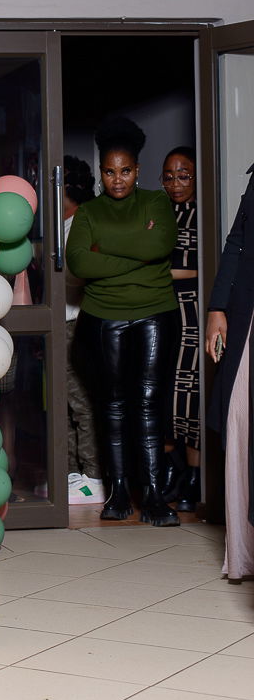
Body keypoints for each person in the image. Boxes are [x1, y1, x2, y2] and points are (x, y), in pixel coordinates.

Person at [68, 117, 180, 526]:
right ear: (101, 173)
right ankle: (117, 494)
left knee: (148, 403)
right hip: (103, 317)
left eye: (126, 171)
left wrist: (106, 249)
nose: (118, 180)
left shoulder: (156, 203)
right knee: (112, 405)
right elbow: (80, 262)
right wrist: (140, 256)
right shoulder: (89, 211)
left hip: (155, 313)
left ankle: (153, 496)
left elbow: (160, 243)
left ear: (138, 170)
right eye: (110, 172)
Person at [206, 162, 254, 580]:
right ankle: (246, 551)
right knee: (241, 422)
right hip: (248, 316)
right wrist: (217, 307)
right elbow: (237, 242)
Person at [160, 146, 201, 511]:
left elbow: (204, 266)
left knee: (189, 395)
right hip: (160, 311)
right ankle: (170, 470)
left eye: (184, 175)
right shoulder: (157, 212)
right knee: (162, 392)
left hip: (193, 314)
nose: (176, 183)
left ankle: (193, 477)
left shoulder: (205, 213)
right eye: (169, 177)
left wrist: (155, 273)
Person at [62, 156, 104, 505]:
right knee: (63, 401)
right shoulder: (62, 225)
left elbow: (84, 274)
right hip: (59, 322)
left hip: (75, 321)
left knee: (81, 401)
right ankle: (73, 474)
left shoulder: (83, 224)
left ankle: (93, 477)